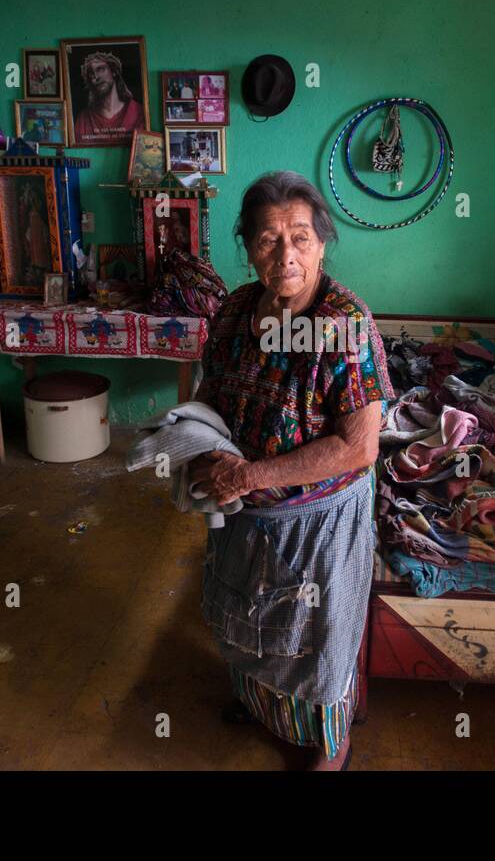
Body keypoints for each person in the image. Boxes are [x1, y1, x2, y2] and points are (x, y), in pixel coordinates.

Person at [190, 170, 393, 770]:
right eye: (268, 239)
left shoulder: (344, 323)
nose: (285, 256)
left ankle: (329, 747)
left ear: (322, 243)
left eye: (300, 237)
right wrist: (197, 444)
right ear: (248, 245)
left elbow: (358, 447)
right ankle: (258, 705)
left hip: (318, 522)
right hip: (242, 510)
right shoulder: (231, 314)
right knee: (243, 614)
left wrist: (250, 475)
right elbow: (211, 392)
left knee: (315, 641)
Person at [73, 50, 143, 142]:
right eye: (91, 74)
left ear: (113, 72)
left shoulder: (137, 112)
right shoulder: (84, 119)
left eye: (101, 69)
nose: (96, 77)